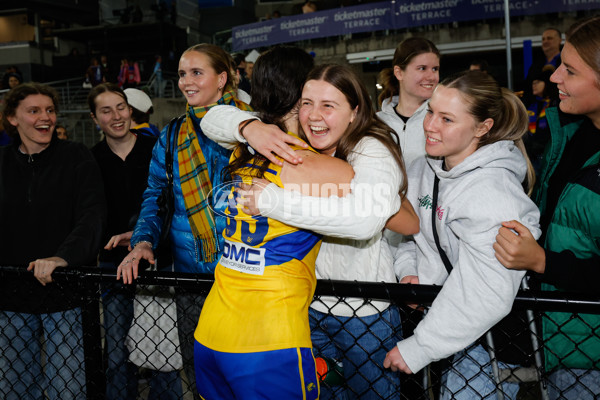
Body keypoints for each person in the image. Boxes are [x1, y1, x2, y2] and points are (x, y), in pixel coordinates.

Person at [201, 61, 418, 399]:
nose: (314, 115)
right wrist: (248, 126)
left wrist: (274, 202)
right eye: (306, 103)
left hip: (363, 310)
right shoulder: (296, 144)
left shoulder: (368, 148)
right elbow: (211, 119)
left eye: (328, 106)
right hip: (311, 308)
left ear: (354, 111)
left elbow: (376, 220)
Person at [194, 46, 355, 400]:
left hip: (210, 331)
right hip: (270, 339)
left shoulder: (241, 151)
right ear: (303, 95)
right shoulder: (314, 167)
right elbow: (389, 205)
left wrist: (250, 126)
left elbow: (211, 117)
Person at [384, 71, 541, 400]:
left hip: (489, 341)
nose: (430, 125)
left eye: (446, 118)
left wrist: (421, 347)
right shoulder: (421, 170)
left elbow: (486, 287)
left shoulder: (496, 191)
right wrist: (410, 271)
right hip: (441, 324)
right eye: (430, 111)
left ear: (483, 127)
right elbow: (409, 236)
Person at [116, 43, 252, 399]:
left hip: (245, 274)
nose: (186, 82)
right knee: (198, 369)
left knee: (246, 367)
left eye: (196, 72)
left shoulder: (252, 128)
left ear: (222, 78)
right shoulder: (173, 133)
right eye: (181, 74)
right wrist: (142, 241)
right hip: (189, 276)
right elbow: (156, 195)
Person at [493, 16, 600, 400]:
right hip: (557, 337)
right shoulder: (570, 132)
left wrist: (542, 262)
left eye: (569, 71)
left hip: (589, 355)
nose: (554, 78)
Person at [0, 82, 106, 399]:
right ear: (13, 119)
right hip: (11, 296)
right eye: (33, 111)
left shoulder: (76, 156)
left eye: (49, 110)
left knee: (68, 389)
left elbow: (92, 216)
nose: (45, 117)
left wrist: (63, 258)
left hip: (65, 292)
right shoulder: (1, 162)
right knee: (15, 389)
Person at [89, 83, 183, 399]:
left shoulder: (158, 150)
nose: (116, 116)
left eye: (121, 107)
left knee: (164, 357)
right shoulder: (90, 162)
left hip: (158, 265)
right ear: (94, 118)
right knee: (116, 355)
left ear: (131, 111)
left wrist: (152, 238)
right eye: (106, 110)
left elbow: (174, 204)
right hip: (113, 267)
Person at [377, 37, 440, 170]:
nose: (431, 76)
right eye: (422, 68)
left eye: (435, 69)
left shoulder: (443, 120)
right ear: (399, 73)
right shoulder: (376, 123)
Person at [524, 66, 559, 177]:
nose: (534, 85)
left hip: (548, 155)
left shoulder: (555, 104)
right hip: (532, 155)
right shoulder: (532, 105)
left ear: (546, 83)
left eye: (538, 82)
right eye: (533, 82)